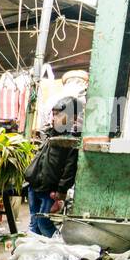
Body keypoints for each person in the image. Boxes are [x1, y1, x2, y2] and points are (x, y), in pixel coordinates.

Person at [24, 96, 82, 238]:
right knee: (34, 223)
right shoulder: (50, 134)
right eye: (53, 114)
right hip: (34, 185)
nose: (54, 118)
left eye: (58, 114)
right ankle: (34, 252)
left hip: (49, 190)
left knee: (44, 223)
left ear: (73, 118)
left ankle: (57, 247)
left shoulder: (71, 140)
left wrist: (61, 191)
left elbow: (70, 169)